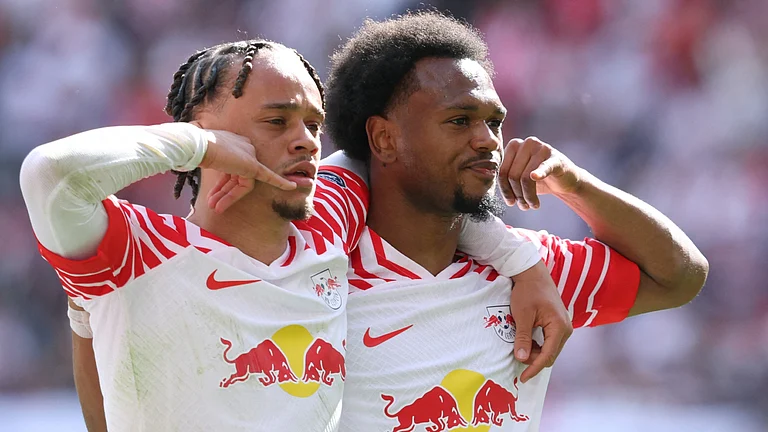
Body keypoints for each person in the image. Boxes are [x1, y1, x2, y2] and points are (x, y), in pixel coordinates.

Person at [20, 39, 563, 431]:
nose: (305, 141)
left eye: (313, 124)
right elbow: (47, 174)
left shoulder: (329, 223)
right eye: (277, 122)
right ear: (203, 132)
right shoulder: (137, 250)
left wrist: (518, 257)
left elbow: (417, 169)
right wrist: (196, 146)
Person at [320, 11, 709, 431]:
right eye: (459, 120)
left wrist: (575, 184)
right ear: (384, 139)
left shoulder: (528, 271)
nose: (488, 139)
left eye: (494, 122)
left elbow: (680, 277)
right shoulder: (321, 275)